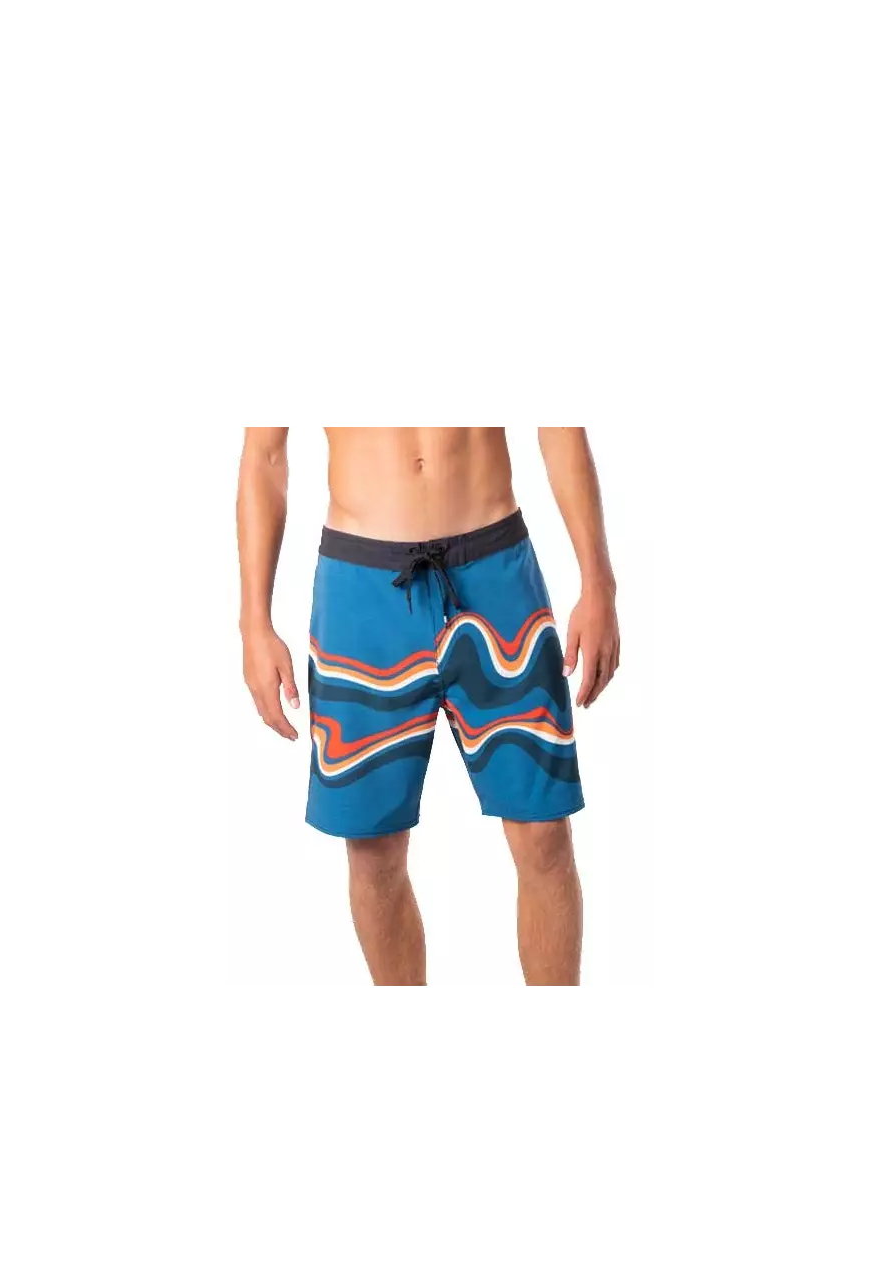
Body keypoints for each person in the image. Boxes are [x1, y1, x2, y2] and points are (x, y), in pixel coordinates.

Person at [236, 421, 619, 987]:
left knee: (544, 833)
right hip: (361, 592)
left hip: (496, 575)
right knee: (373, 851)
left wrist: (599, 583)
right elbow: (265, 454)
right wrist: (254, 622)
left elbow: (560, 423)